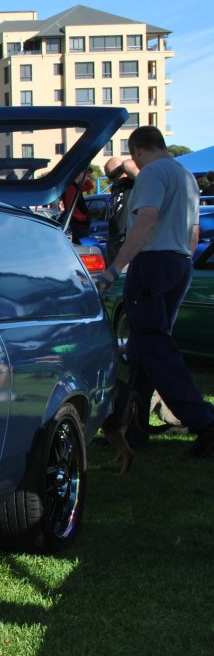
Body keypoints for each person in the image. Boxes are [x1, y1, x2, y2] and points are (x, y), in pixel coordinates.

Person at [96, 126, 214, 457]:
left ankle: (204, 421)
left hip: (152, 264)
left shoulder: (151, 174)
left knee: (155, 348)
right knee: (142, 350)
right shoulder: (184, 175)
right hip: (178, 263)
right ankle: (132, 430)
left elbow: (147, 220)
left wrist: (114, 269)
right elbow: (193, 230)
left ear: (136, 151)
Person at [103, 156, 139, 264]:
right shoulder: (115, 187)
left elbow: (129, 165)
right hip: (113, 240)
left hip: (125, 241)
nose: (110, 180)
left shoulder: (132, 183)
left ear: (123, 171)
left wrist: (123, 166)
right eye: (108, 177)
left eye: (112, 176)